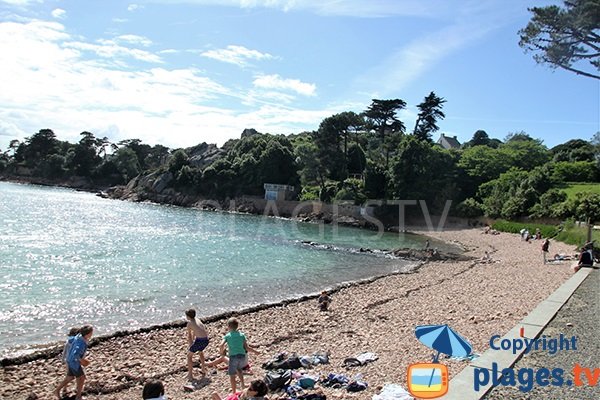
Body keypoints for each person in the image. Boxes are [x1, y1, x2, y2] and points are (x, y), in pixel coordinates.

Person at [221, 318, 260, 394]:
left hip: (233, 357)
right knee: (239, 369)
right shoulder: (242, 335)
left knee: (232, 375)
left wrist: (221, 352)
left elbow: (221, 344)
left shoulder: (227, 336)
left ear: (228, 326)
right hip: (242, 356)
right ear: (237, 326)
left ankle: (234, 392)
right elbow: (247, 347)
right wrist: (256, 352)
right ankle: (242, 385)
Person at [64, 325, 93, 400]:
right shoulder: (75, 341)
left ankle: (69, 389)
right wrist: (81, 360)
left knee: (71, 376)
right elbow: (73, 353)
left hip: (72, 360)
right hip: (73, 361)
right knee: (79, 377)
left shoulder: (76, 340)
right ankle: (78, 394)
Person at [54, 327, 80, 399]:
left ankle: (65, 388)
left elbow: (64, 351)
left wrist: (63, 360)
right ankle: (76, 389)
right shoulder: (76, 341)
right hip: (73, 360)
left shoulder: (68, 341)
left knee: (69, 375)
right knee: (74, 375)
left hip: (67, 360)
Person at [186, 308, 209, 380]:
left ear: (188, 317)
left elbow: (189, 335)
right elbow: (196, 331)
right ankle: (203, 369)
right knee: (200, 351)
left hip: (200, 340)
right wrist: (194, 341)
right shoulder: (198, 320)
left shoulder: (189, 324)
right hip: (206, 339)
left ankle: (190, 375)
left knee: (189, 356)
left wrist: (190, 344)